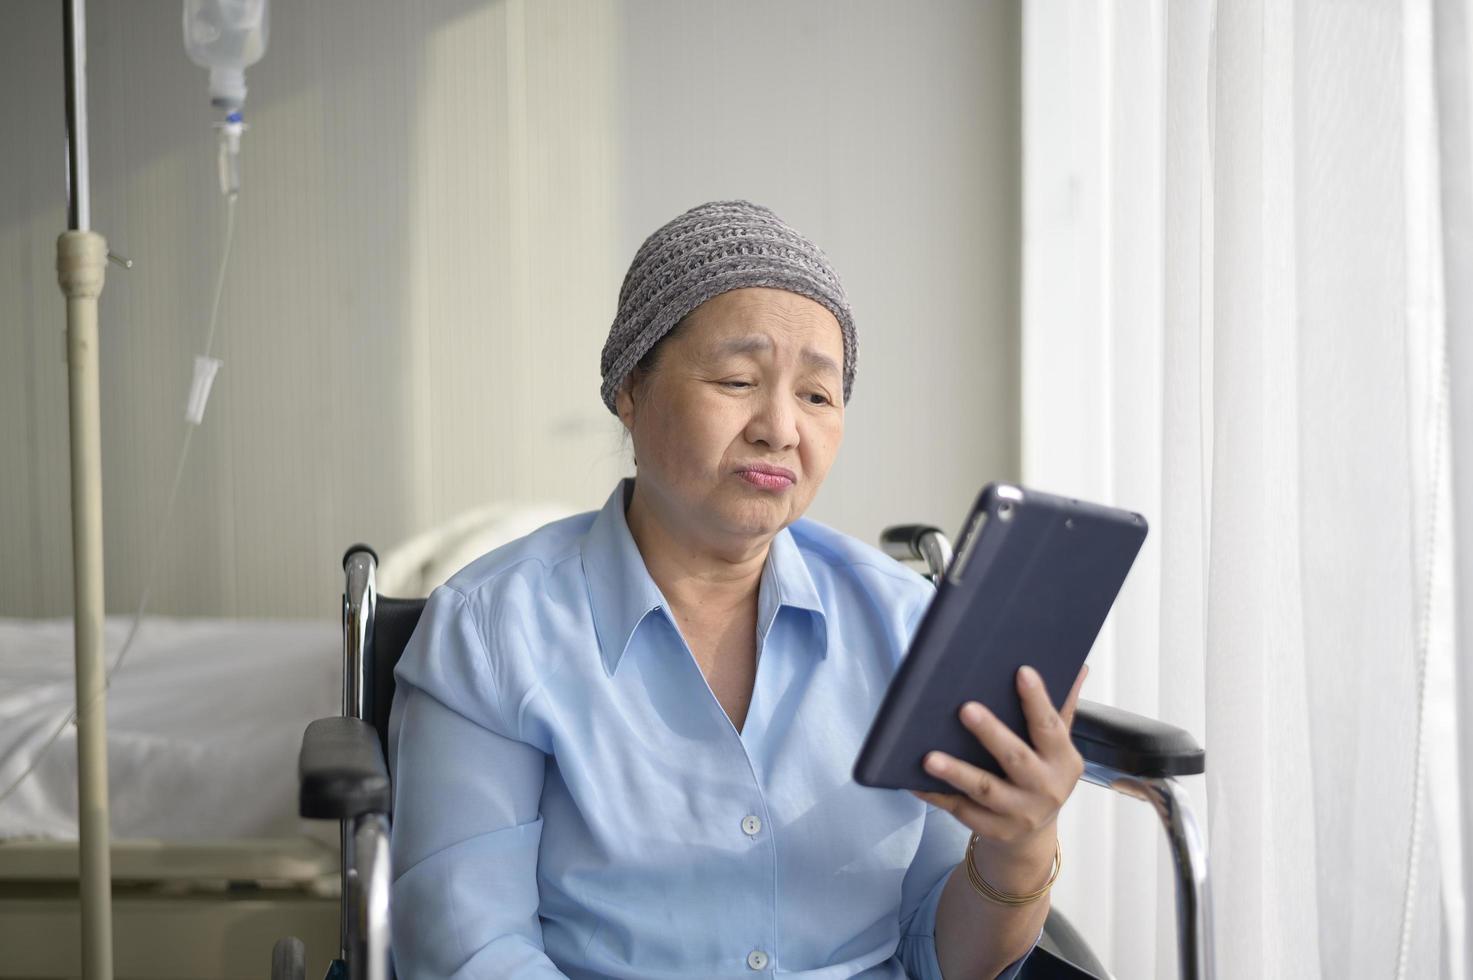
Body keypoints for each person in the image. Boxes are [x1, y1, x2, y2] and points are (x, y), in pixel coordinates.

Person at [388, 200, 1089, 979]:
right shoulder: (492, 630)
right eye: (736, 379)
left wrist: (1020, 847)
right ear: (629, 387)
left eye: (818, 396)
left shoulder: (907, 625)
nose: (779, 427)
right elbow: (471, 950)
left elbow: (935, 957)